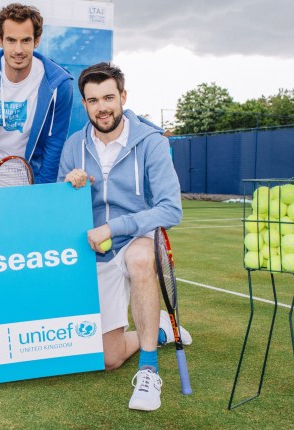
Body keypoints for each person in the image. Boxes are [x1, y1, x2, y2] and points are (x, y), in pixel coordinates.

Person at [58, 62, 192, 412]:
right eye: (93, 100)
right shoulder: (74, 145)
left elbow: (170, 209)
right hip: (97, 251)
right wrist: (71, 187)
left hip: (135, 241)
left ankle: (149, 371)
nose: (102, 107)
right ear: (84, 105)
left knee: (140, 258)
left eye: (109, 97)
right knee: (109, 358)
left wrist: (116, 227)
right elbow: (60, 207)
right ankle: (160, 329)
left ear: (123, 97)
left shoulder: (151, 143)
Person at [0, 3, 73, 188]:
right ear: (0, 40)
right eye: (11, 40)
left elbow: (55, 143)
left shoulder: (59, 84)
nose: (18, 50)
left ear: (37, 40)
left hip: (27, 182)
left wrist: (42, 189)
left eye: (25, 40)